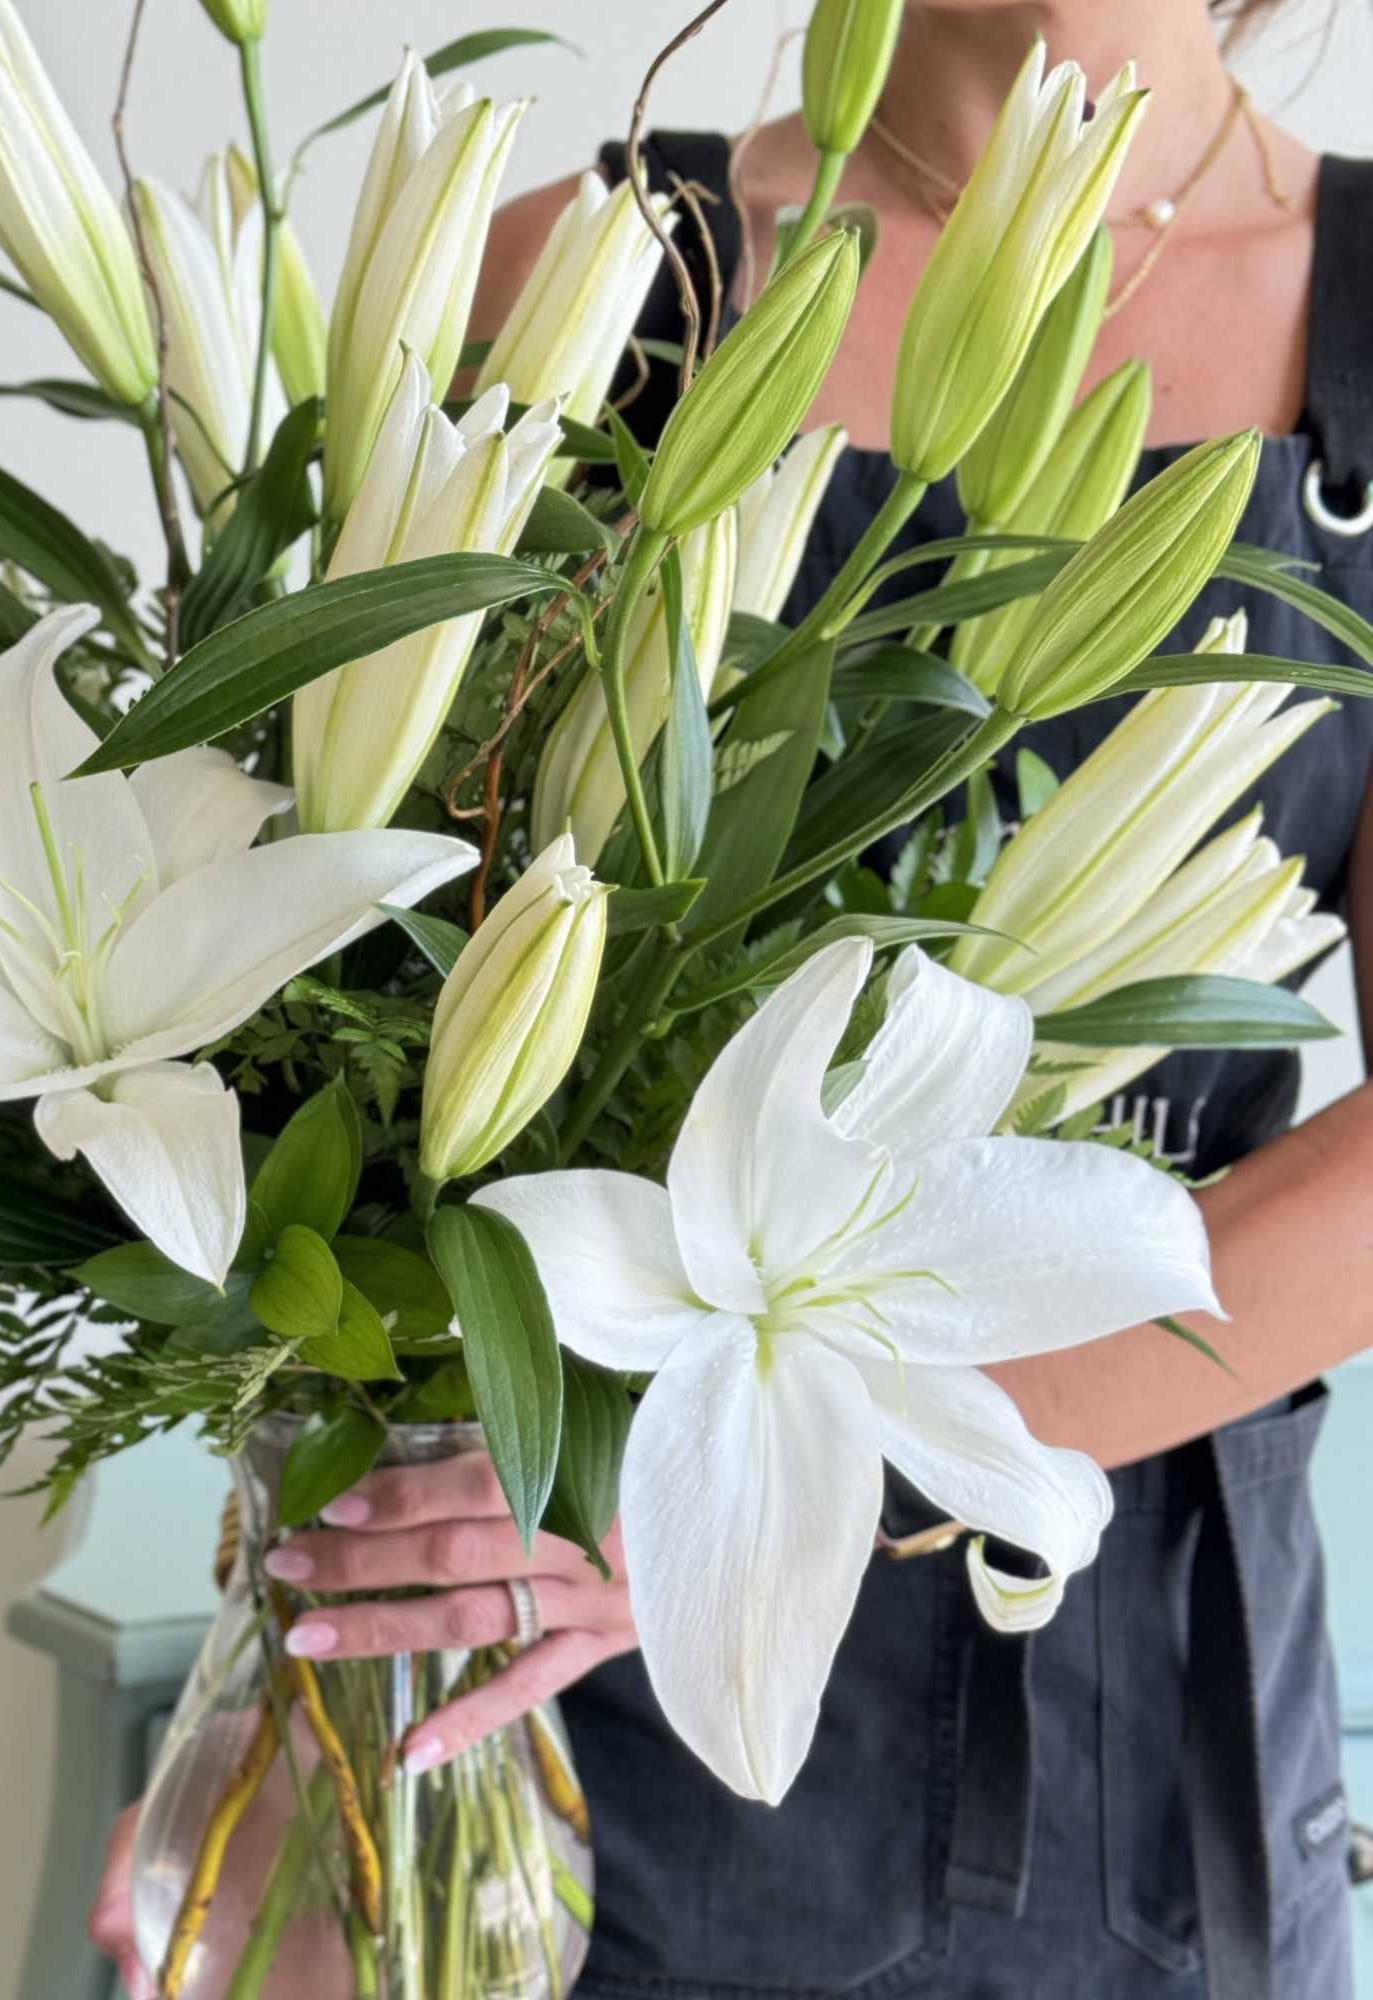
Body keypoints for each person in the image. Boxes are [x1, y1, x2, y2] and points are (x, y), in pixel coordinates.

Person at [93, 1, 1373, 1990]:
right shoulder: (595, 280)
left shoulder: (1357, 324)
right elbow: (351, 1033)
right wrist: (301, 1702)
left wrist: (838, 1452)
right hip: (574, 1759)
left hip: (1126, 1728)